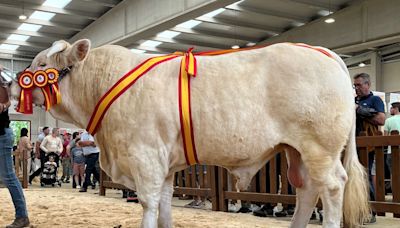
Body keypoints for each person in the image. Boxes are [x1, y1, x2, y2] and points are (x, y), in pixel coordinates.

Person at [0, 65, 30, 227]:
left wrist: (3, 106)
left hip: (1, 135)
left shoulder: (2, 82)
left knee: (9, 177)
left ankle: (22, 216)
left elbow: (4, 102)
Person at [354, 72, 386, 224]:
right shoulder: (353, 100)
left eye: (359, 85)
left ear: (368, 84)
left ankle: (371, 211)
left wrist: (359, 110)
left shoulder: (375, 100)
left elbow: (380, 119)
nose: (356, 88)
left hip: (368, 147)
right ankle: (358, 210)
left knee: (365, 177)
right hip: (353, 145)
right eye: (355, 85)